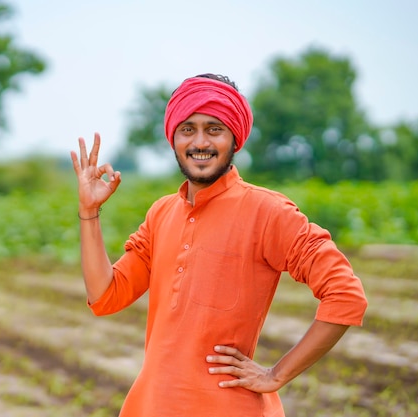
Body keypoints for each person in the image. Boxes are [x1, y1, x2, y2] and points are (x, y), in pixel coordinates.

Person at [70, 73, 368, 417]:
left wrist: (277, 374)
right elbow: (105, 296)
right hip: (152, 405)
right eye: (188, 129)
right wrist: (89, 212)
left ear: (234, 139)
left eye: (214, 129)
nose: (200, 142)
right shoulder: (162, 213)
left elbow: (346, 295)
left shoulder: (268, 212)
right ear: (173, 138)